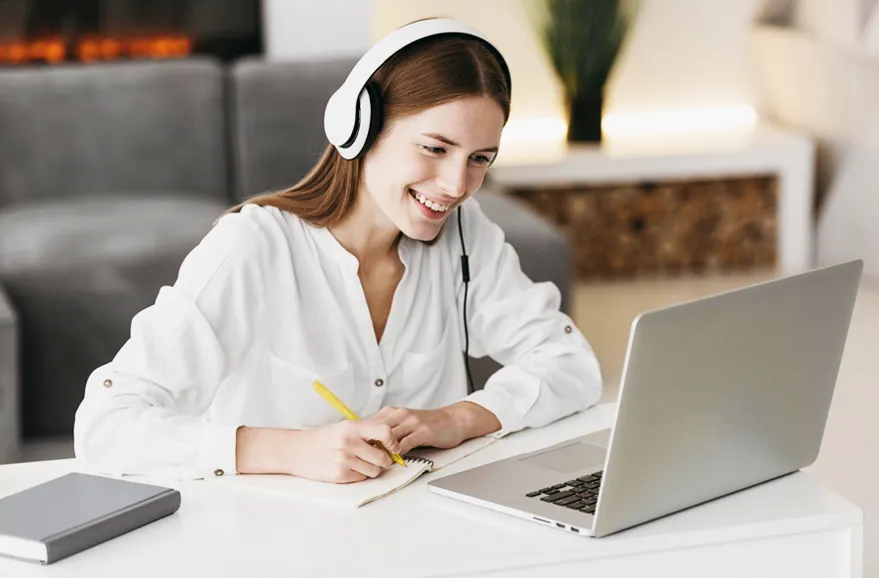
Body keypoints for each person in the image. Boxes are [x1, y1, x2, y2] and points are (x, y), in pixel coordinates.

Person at [73, 18, 603, 484]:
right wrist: (289, 450)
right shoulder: (253, 247)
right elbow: (107, 423)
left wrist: (459, 417)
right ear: (361, 129)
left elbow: (570, 363)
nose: (456, 184)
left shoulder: (467, 235)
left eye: (479, 158)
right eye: (436, 148)